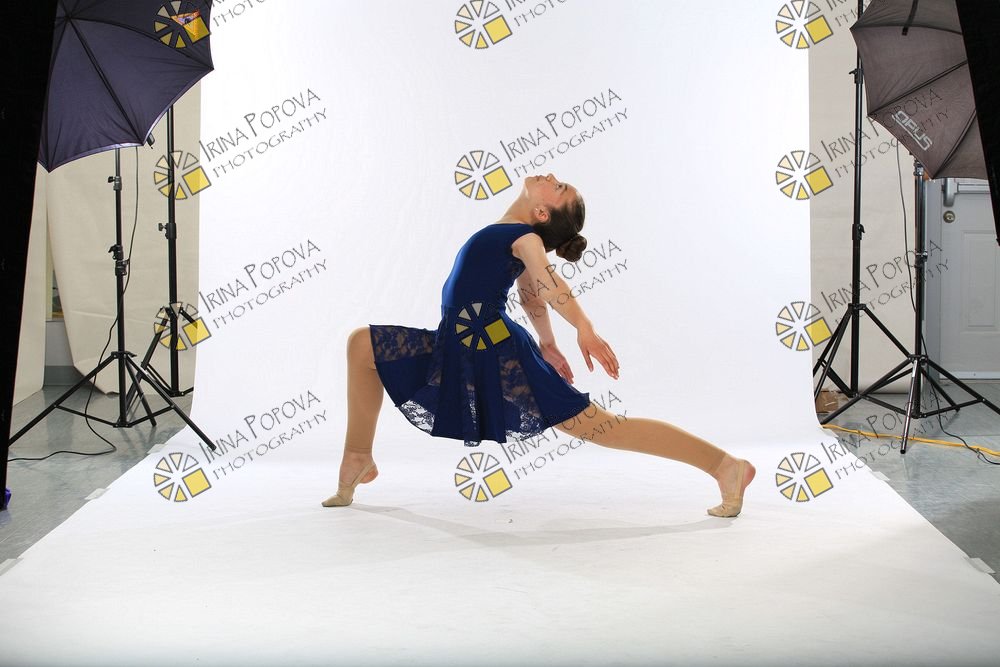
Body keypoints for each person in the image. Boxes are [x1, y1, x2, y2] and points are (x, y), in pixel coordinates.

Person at [323, 173, 755, 516]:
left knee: (601, 426)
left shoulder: (525, 238)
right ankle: (358, 456)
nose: (550, 175)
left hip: (496, 350)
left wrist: (583, 327)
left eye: (558, 185)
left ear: (542, 212)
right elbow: (531, 296)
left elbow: (549, 284)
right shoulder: (510, 234)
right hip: (461, 344)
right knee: (363, 346)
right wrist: (549, 344)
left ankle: (725, 466)